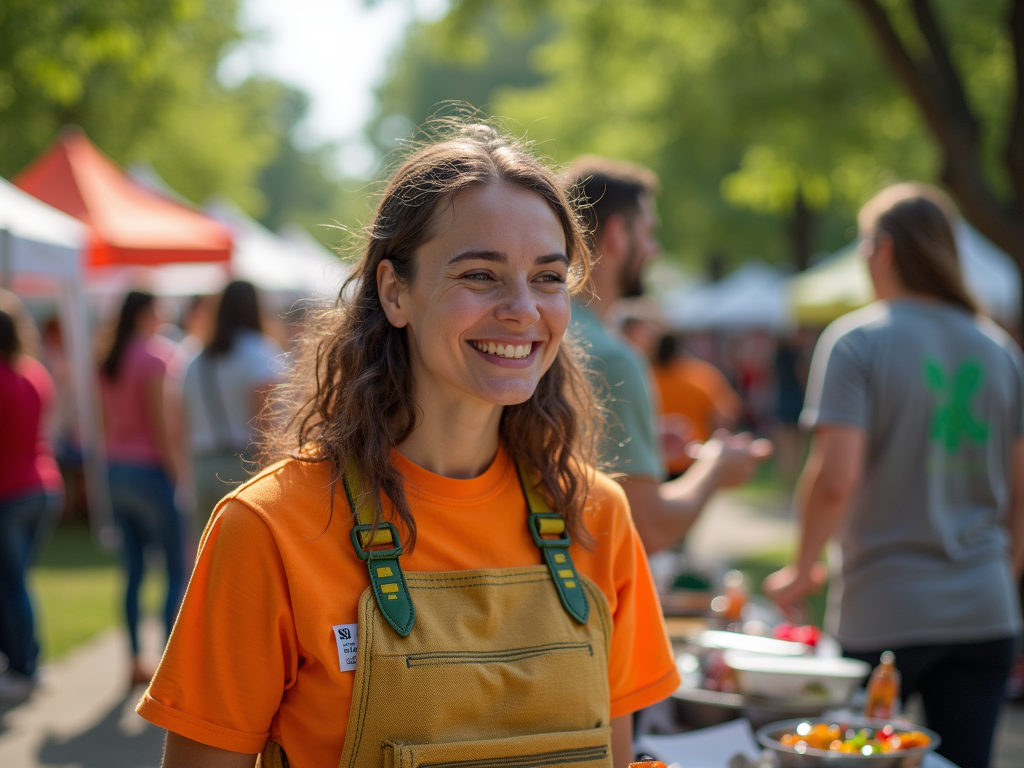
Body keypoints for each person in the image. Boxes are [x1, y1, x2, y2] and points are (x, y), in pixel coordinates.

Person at [137, 125, 682, 767]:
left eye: (547, 277)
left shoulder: (597, 515)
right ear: (395, 291)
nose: (521, 308)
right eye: (481, 274)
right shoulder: (270, 530)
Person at [764, 183, 1024, 768]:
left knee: (855, 760)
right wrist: (998, 575)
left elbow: (835, 479)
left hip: (884, 606)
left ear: (882, 250)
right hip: (986, 605)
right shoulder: (1002, 349)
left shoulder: (858, 341)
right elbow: (1021, 489)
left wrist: (802, 569)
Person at [567, 156, 772, 554]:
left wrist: (645, 444)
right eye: (648, 232)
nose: (654, 249)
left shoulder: (549, 330)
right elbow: (649, 528)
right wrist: (715, 469)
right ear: (616, 233)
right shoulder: (613, 358)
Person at [99, 290, 187, 686]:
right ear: (143, 313)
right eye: (158, 308)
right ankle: (170, 662)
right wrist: (176, 474)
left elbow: (104, 423)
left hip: (115, 470)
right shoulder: (154, 357)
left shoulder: (109, 358)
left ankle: (135, 658)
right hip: (149, 470)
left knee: (133, 571)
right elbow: (161, 425)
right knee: (174, 568)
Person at [181, 280, 283, 532]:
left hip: (202, 467)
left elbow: (182, 420)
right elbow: (265, 421)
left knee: (206, 559)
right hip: (245, 466)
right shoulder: (260, 351)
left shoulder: (196, 358)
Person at [0, 293, 63, 701]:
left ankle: (24, 667)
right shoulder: (34, 374)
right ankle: (27, 661)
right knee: (16, 580)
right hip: (42, 486)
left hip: (10, 492)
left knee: (12, 583)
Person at [651, 333, 741, 477]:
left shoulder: (645, 376)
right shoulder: (701, 375)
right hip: (693, 454)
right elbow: (726, 415)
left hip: (653, 459)